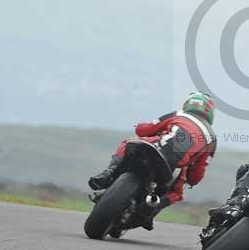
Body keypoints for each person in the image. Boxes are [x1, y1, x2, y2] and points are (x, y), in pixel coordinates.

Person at [88, 92, 217, 229]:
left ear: (187, 104)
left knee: (127, 143)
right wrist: (191, 179)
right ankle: (152, 210)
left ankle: (108, 173)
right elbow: (197, 172)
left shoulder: (177, 114)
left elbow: (143, 130)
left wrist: (140, 126)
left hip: (153, 147)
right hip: (174, 166)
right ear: (210, 112)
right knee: (177, 193)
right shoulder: (212, 138)